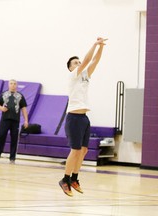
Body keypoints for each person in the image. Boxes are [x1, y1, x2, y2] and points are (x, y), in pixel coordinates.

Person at [59, 37, 107, 197]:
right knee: (75, 149)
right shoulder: (73, 76)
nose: (79, 63)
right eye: (75, 62)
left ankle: (74, 178)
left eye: (78, 62)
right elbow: (87, 60)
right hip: (73, 117)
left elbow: (95, 61)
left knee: (84, 150)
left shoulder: (85, 76)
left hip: (84, 117)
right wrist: (94, 44)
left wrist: (100, 47)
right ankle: (65, 180)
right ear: (70, 68)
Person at [0, 79, 29, 163]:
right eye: (11, 83)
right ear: (8, 85)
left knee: (14, 138)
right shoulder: (3, 94)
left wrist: (26, 120)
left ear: (17, 85)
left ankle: (12, 158)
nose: (13, 85)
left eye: (14, 84)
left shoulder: (20, 96)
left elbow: (23, 109)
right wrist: (1, 108)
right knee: (1, 136)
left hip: (15, 121)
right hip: (5, 120)